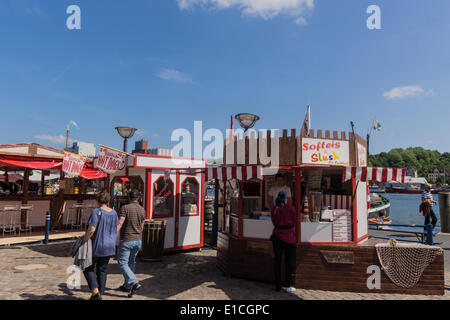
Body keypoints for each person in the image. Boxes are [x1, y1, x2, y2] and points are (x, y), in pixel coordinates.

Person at [82, 190, 119, 300]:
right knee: (102, 269)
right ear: (108, 200)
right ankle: (100, 294)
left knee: (87, 267)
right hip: (110, 245)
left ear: (97, 200)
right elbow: (116, 228)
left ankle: (95, 291)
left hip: (98, 245)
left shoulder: (96, 212)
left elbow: (91, 229)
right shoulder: (114, 213)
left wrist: (84, 240)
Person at [117, 189, 146, 298]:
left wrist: (112, 234)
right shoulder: (143, 210)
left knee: (122, 263)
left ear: (129, 197)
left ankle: (133, 282)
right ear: (138, 198)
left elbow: (120, 223)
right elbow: (142, 226)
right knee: (131, 263)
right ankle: (127, 286)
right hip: (137, 240)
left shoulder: (125, 208)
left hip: (126, 239)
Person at [271, 190, 297, 293]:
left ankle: (277, 286)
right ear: (286, 198)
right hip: (289, 237)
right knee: (288, 262)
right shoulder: (291, 208)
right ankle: (287, 285)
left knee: (277, 261)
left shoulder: (275, 209)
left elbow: (273, 221)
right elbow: (295, 221)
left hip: (277, 236)